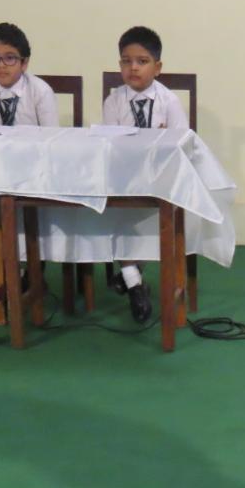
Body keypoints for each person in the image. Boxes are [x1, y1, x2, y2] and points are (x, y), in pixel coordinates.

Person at [102, 25, 188, 323]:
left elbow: (181, 143)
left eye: (142, 61)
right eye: (126, 61)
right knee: (117, 214)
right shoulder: (113, 102)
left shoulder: (169, 101)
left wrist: (163, 140)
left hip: (160, 180)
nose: (134, 68)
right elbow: (110, 145)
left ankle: (129, 277)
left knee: (152, 217)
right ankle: (135, 284)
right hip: (125, 179)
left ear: (158, 67)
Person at [0, 22, 57, 128]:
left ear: (24, 63)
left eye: (10, 58)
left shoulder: (40, 91)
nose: (1, 65)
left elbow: (51, 135)